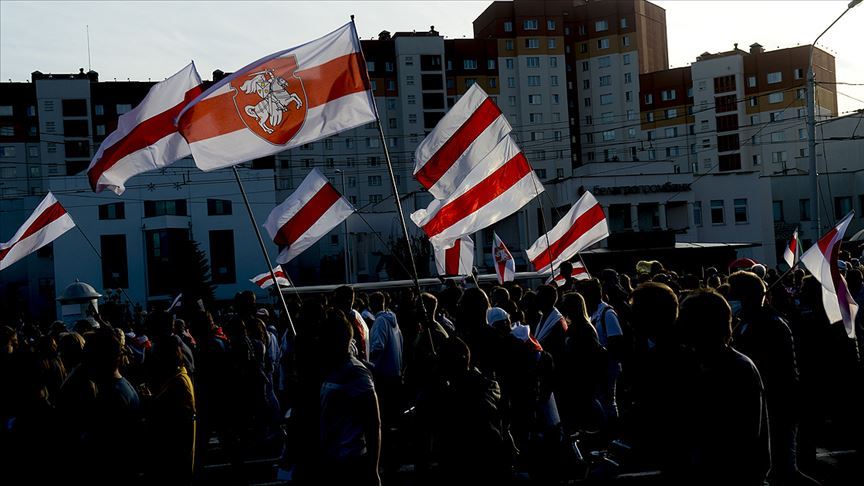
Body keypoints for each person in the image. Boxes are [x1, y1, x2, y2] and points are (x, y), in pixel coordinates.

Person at [728, 271, 817, 486]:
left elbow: (777, 370)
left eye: (734, 294)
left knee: (784, 471)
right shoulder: (746, 321)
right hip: (762, 405)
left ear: (746, 296)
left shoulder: (772, 323)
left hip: (777, 405)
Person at [677, 290, 770, 485]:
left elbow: (741, 437)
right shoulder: (697, 363)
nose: (679, 326)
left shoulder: (737, 369)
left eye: (686, 319)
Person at [318, 309, 381, 486]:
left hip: (350, 460)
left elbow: (373, 423)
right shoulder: (333, 369)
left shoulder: (356, 372)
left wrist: (373, 469)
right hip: (334, 458)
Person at [580, 278, 625, 424]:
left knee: (609, 403)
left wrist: (601, 353)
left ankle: (613, 431)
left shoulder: (607, 313)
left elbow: (617, 342)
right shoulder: (592, 314)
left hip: (608, 366)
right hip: (597, 367)